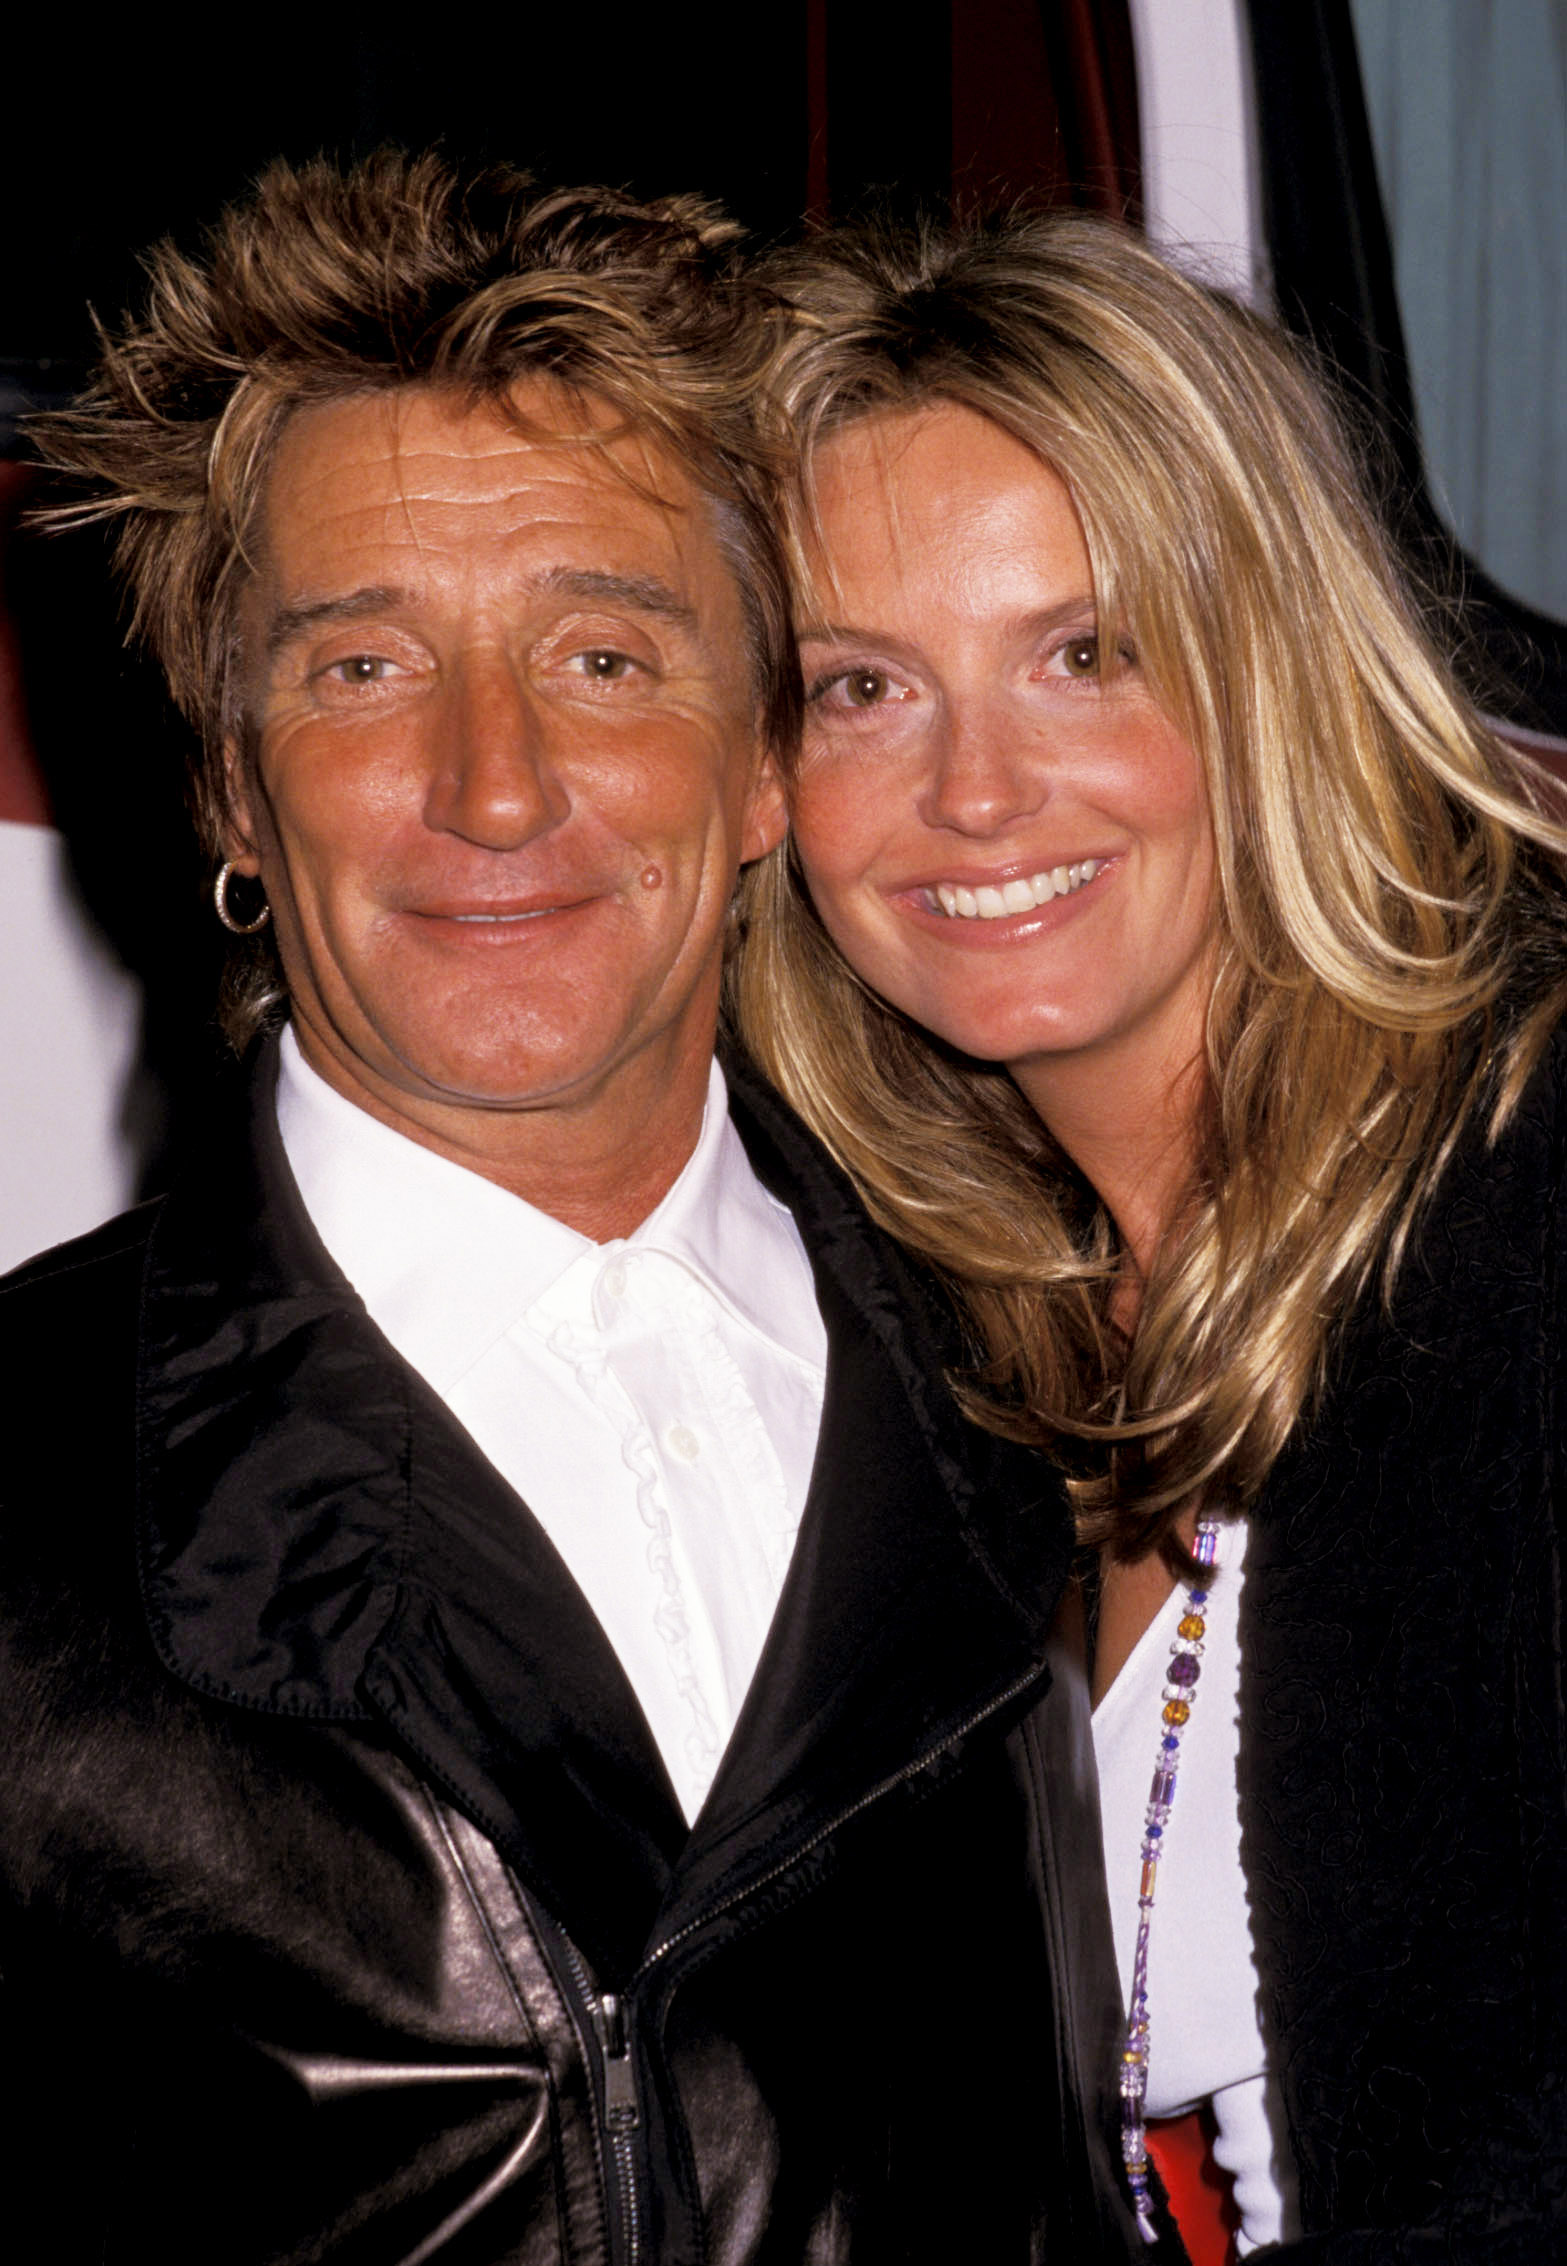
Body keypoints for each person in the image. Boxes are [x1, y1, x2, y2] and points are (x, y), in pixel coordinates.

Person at [0, 159, 1139, 2264]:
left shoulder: (1059, 1383)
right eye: (360, 672)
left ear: (768, 763)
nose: (494, 783)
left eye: (605, 656)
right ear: (231, 790)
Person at [733, 209, 1567, 2263]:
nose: (976, 789)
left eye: (1082, 652)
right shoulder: (936, 1323)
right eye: (859, 687)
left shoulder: (1524, 1198)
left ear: (1268, 656)